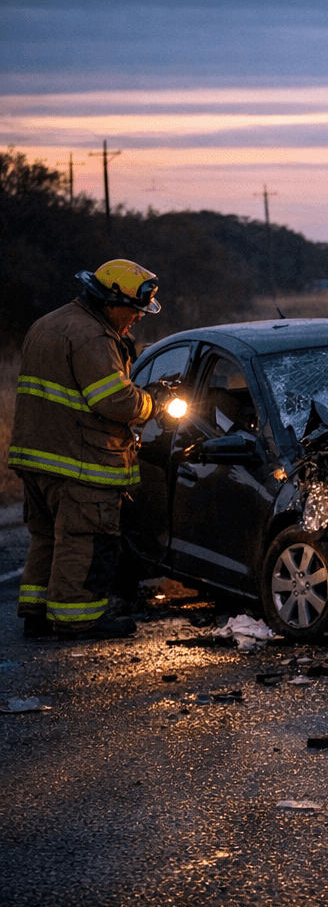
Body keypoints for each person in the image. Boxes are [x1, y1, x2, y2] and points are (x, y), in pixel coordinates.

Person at [9, 260, 169, 640]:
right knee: (85, 540)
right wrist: (153, 404)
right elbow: (114, 400)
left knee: (48, 537)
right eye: (134, 310)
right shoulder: (92, 337)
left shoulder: (50, 323)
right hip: (79, 461)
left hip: (38, 457)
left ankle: (37, 613)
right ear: (110, 301)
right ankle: (78, 619)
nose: (137, 319)